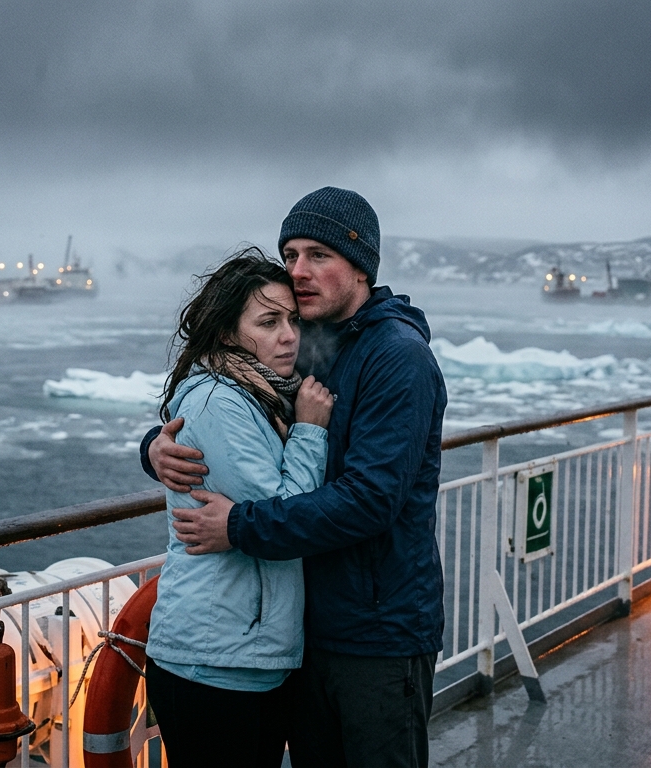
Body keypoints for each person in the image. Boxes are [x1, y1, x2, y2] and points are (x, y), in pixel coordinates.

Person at [143, 187, 448, 767]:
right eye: (290, 254)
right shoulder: (314, 345)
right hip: (311, 632)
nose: (298, 270)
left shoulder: (397, 358)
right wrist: (157, 447)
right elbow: (229, 408)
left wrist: (238, 526)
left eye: (317, 254)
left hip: (377, 636)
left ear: (360, 266)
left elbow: (369, 500)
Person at [143, 248, 334, 768]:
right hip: (212, 657)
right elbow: (283, 516)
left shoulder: (263, 396)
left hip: (249, 655)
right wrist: (312, 431)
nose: (289, 335)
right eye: (269, 322)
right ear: (227, 332)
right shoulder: (219, 402)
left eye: (291, 320)